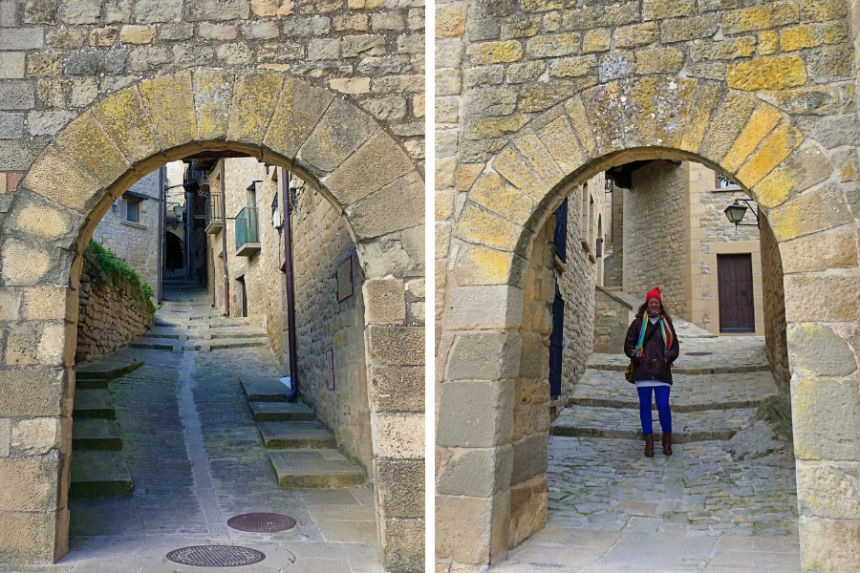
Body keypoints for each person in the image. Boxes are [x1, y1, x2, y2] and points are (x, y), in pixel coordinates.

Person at [624, 287, 680, 457]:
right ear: (647, 304)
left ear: (660, 304)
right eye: (651, 302)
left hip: (662, 372)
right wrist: (638, 358)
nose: (654, 304)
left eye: (656, 302)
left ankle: (666, 440)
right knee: (645, 407)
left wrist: (667, 358)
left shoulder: (667, 324)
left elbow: (675, 347)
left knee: (663, 405)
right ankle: (649, 442)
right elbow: (628, 346)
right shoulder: (638, 323)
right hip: (644, 372)